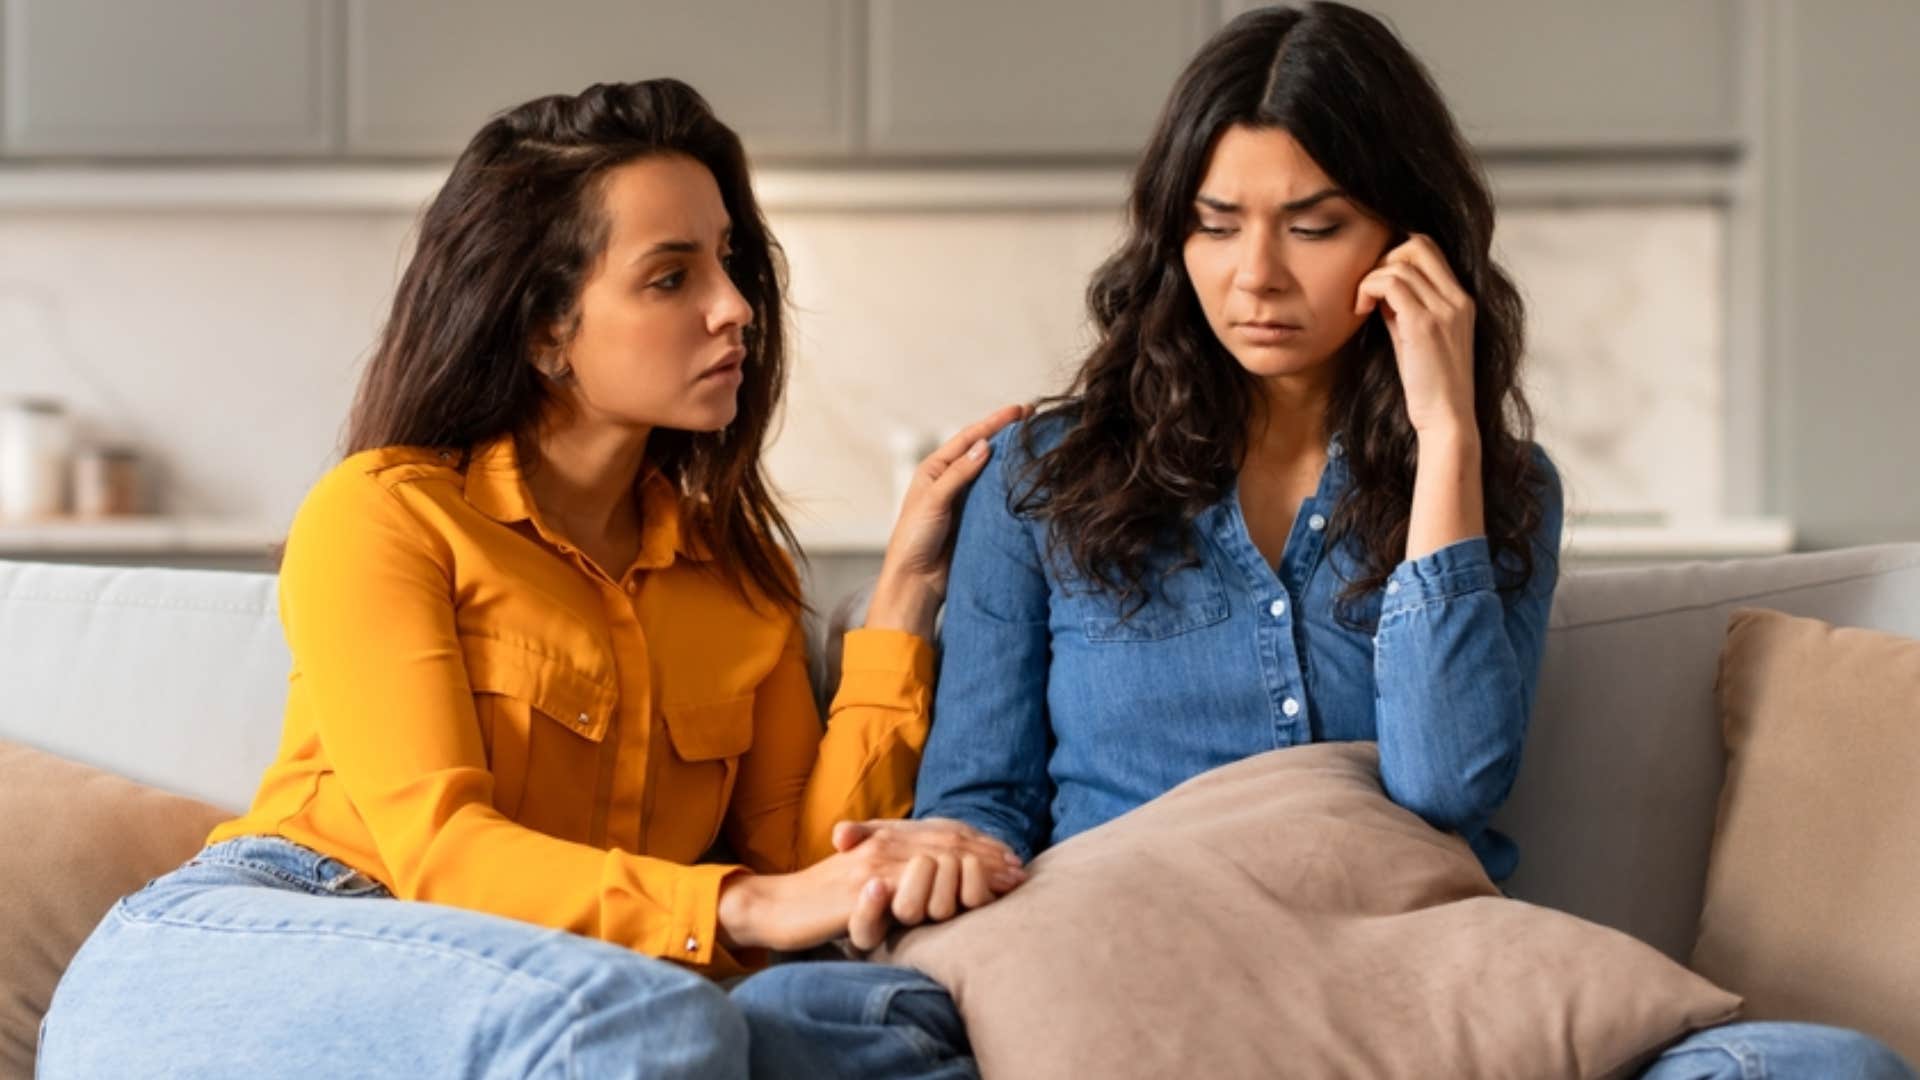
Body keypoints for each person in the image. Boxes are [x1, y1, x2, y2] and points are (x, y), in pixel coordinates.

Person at [733, 6, 1919, 1078]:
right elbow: (981, 804)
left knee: (1823, 1067)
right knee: (798, 1017)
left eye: (1314, 225)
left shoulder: (1500, 489)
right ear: (1170, 237)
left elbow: (1446, 781)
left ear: (1411, 241)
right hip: (1116, 976)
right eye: (1215, 224)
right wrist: (943, 849)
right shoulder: (1043, 482)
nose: (1254, 277)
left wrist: (1448, 433)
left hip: (1406, 983)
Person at [38, 79, 1025, 1080]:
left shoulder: (737, 586)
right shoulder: (389, 512)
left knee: (877, 1027)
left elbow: (804, 880)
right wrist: (742, 906)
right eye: (670, 278)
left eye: (728, 263)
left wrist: (905, 594)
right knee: (651, 1022)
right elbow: (439, 852)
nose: (735, 308)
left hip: (560, 995)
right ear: (546, 329)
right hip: (263, 940)